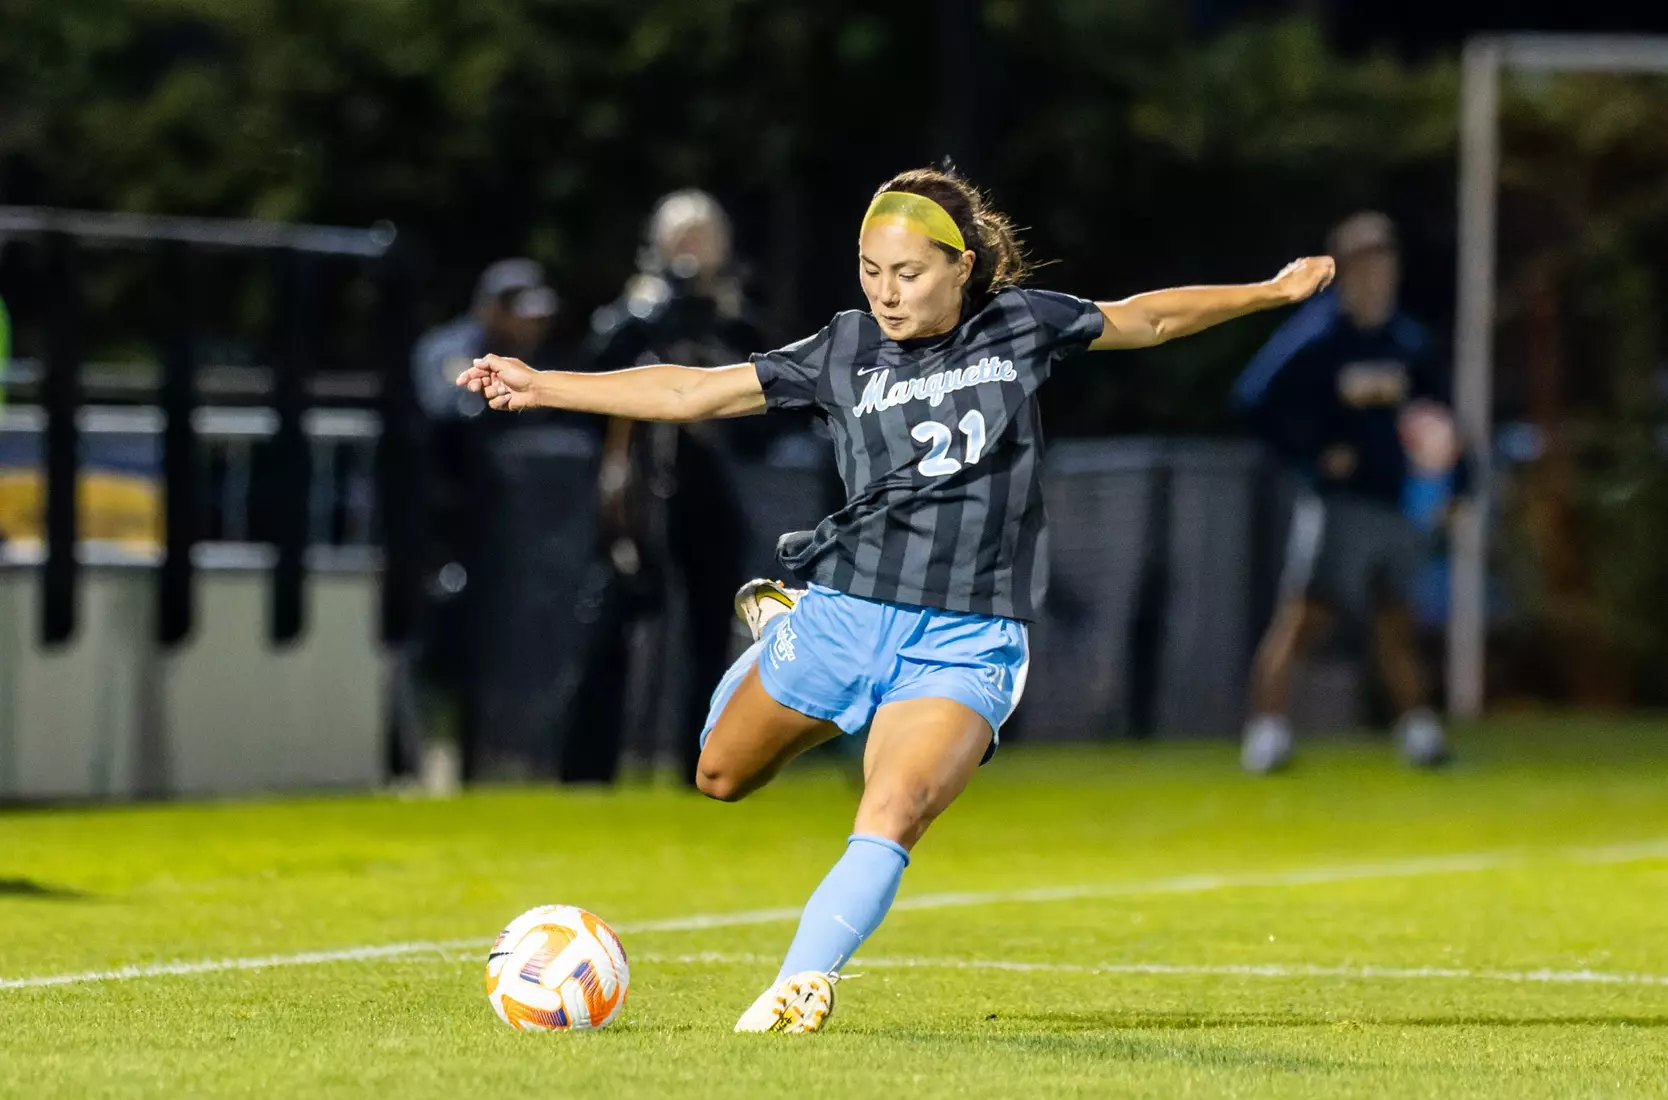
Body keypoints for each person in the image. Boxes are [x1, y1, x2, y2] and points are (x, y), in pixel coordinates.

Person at [456, 166, 1333, 1032]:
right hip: (846, 615)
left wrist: (1269, 292)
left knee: (893, 809)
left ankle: (803, 982)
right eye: (871, 271)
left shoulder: (1020, 325)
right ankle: (782, 628)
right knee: (718, 776)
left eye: (908, 273)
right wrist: (544, 385)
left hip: (967, 640)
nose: (886, 292)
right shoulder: (843, 348)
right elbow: (693, 390)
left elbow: (1150, 317)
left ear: (962, 266)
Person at [1234, 212, 1462, 774]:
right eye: (1365, 262)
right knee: (1304, 618)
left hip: (1396, 502)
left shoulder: (1406, 341)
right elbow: (1253, 401)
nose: (1377, 273)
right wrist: (1313, 456)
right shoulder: (1318, 338)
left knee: (1396, 619)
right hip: (1338, 504)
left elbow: (1443, 418)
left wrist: (1457, 482)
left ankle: (1418, 729)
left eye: (1385, 260)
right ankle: (1267, 731)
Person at [566, 191, 771, 785]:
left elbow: (767, 421)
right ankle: (586, 772)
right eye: (681, 240)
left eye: (703, 240)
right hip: (634, 502)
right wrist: (648, 324)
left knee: (711, 633)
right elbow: (591, 383)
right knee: (610, 622)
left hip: (710, 497)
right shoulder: (633, 316)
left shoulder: (735, 323)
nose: (692, 254)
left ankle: (699, 762)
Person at [399, 260, 558, 781]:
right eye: (520, 314)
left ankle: (487, 762)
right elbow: (448, 408)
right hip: (440, 527)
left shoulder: (532, 360)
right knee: (439, 646)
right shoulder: (450, 350)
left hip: (509, 530)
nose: (532, 327)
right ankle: (426, 763)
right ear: (491, 309)